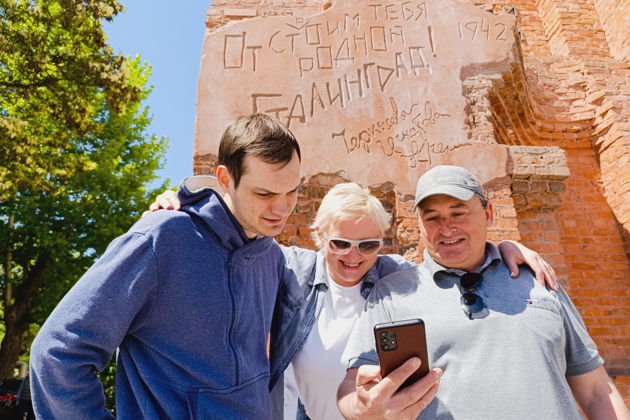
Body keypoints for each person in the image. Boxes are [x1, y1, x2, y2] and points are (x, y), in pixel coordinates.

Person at [150, 179, 558, 420]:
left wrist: (505, 247)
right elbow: (237, 226)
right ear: (319, 236)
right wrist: (184, 200)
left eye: (368, 244)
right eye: (340, 243)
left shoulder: (396, 276)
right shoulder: (289, 270)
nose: (354, 256)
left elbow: (452, 262)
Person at [29, 114, 302, 419]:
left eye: (292, 191)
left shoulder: (272, 258)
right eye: (264, 193)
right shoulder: (161, 239)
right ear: (225, 179)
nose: (281, 208)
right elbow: (58, 352)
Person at [337, 165, 630, 420]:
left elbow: (595, 389)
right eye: (433, 217)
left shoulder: (537, 278)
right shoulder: (392, 293)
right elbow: (352, 387)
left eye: (458, 212)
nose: (447, 228)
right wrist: (363, 410)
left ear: (488, 213)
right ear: (420, 226)